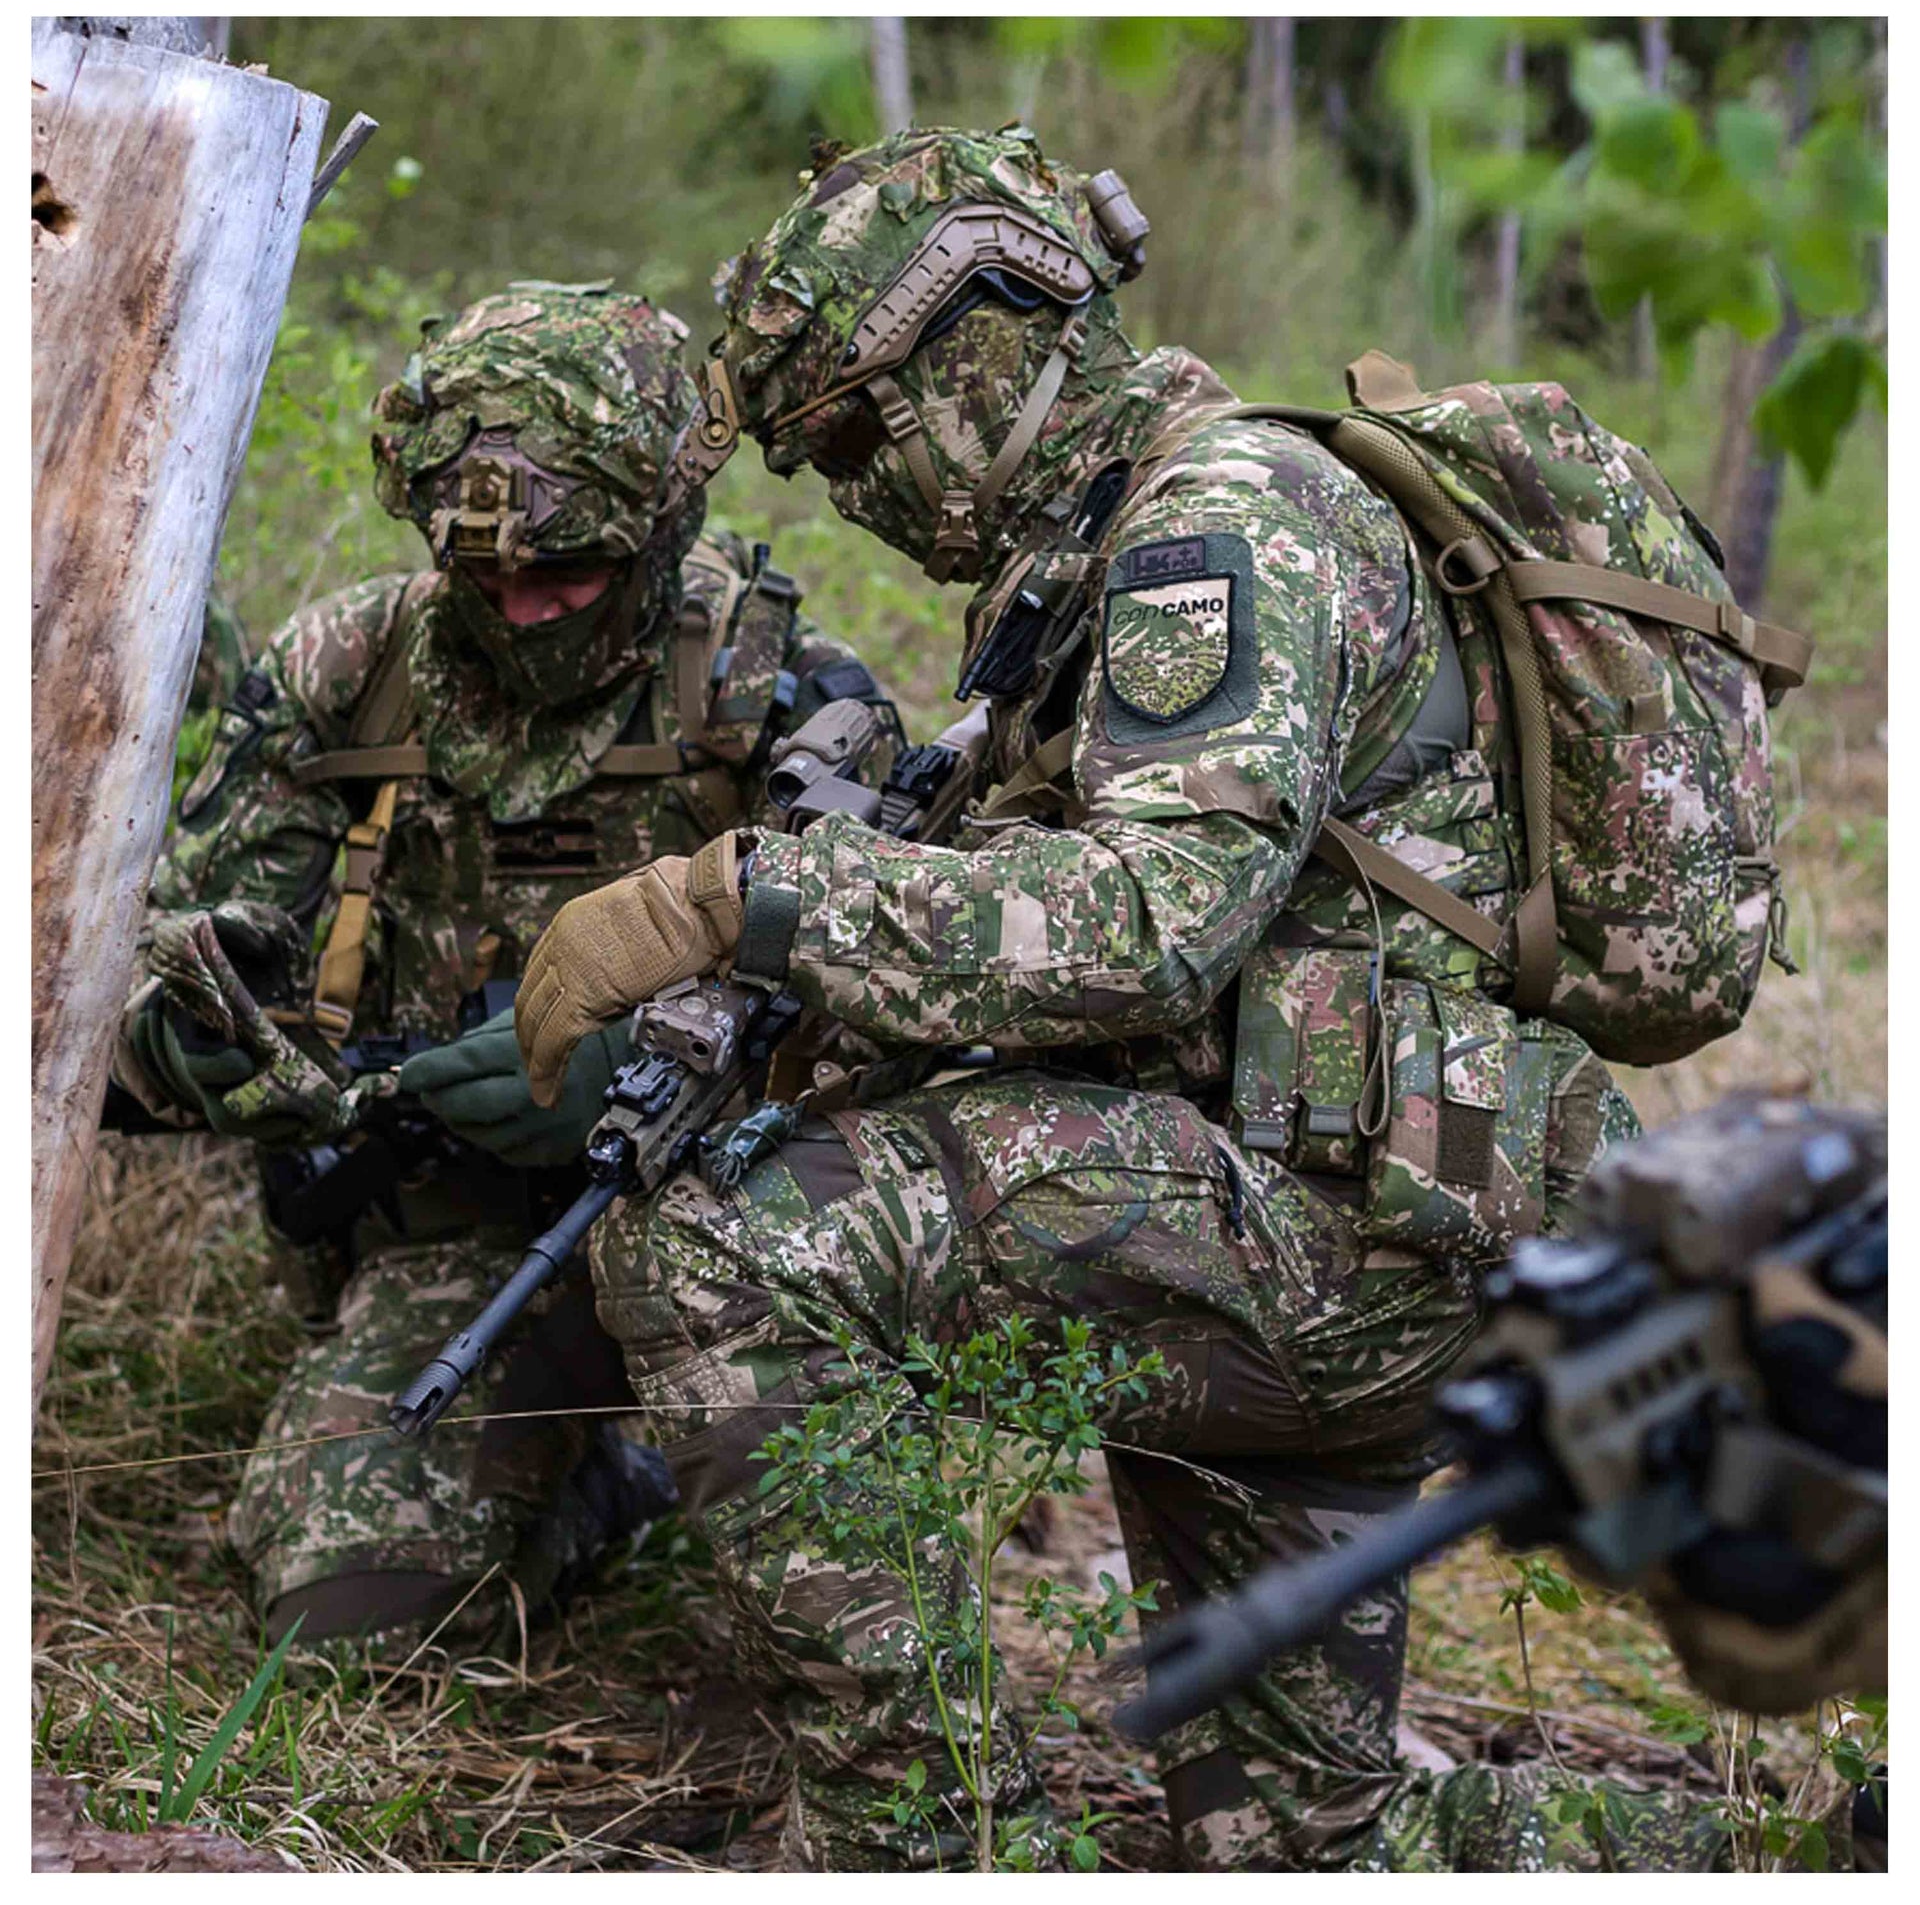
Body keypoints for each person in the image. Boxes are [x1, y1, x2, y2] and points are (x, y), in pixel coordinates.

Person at [513, 131, 1808, 1869]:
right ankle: (1818, 1847)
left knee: (723, 1245)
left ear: (977, 346)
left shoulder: (1220, 524)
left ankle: (934, 1844)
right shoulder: (1081, 574)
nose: (842, 489)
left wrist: (732, 899)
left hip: (1325, 1235)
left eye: (845, 430)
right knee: (1303, 1849)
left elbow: (1150, 926)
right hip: (1353, 1203)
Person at [106, 281, 893, 1647]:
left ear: (662, 527)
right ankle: (588, 1485)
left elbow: (901, 1021)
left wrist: (647, 1068)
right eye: (487, 577)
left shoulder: (786, 700)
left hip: (730, 1236)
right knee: (352, 1611)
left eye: (568, 575)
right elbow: (176, 943)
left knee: (824, 1609)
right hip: (465, 1237)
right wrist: (196, 1024)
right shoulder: (353, 667)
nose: (524, 612)